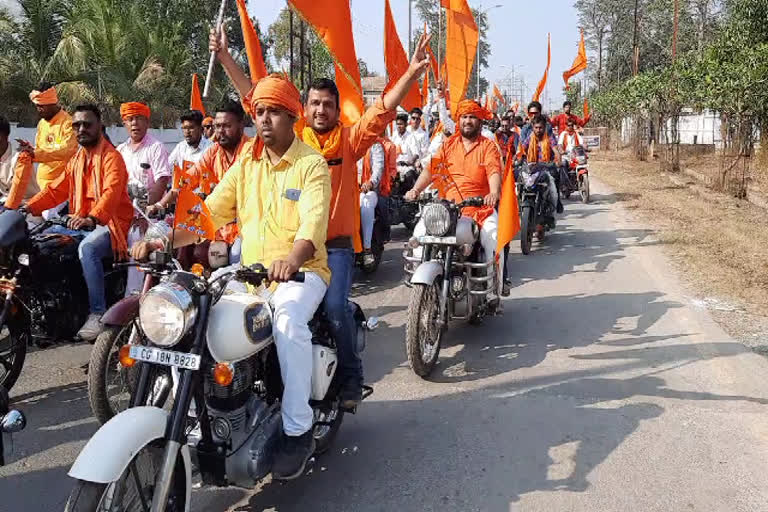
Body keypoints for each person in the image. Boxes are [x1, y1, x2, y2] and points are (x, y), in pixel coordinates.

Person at [209, 26, 431, 408]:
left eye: (328, 104)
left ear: (335, 107)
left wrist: (410, 74)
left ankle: (350, 377)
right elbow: (255, 99)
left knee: (335, 309)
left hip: (333, 249)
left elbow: (381, 112)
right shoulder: (291, 139)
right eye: (314, 103)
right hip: (282, 250)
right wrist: (226, 57)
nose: (321, 110)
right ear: (303, 109)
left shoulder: (349, 140)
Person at [132, 75, 331, 480]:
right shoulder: (247, 163)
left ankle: (297, 428)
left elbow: (313, 226)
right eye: (259, 112)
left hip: (301, 275)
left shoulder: (311, 164)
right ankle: (195, 410)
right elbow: (209, 213)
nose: (265, 119)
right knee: (194, 314)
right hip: (249, 273)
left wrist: (291, 260)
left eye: (273, 112)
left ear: (293, 116)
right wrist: (163, 240)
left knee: (287, 323)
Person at [24, 104, 133, 341]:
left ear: (99, 126)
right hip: (78, 222)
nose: (81, 129)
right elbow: (55, 191)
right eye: (76, 125)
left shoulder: (112, 158)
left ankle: (97, 312)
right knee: (40, 241)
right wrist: (27, 207)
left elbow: (111, 193)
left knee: (88, 248)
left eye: (87, 124)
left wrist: (92, 217)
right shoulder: (76, 160)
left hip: (110, 224)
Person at [405, 99, 505, 295]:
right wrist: (415, 190)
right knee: (418, 235)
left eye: (472, 117)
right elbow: (430, 170)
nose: (468, 121)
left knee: (492, 238)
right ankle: (422, 292)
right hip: (447, 210)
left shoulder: (488, 146)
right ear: (459, 120)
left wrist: (493, 193)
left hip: (479, 209)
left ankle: (495, 291)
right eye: (464, 117)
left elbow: (494, 171)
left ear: (480, 121)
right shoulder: (448, 145)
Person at [150, 101, 251, 265]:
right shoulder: (213, 152)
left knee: (235, 256)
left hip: (245, 226)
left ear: (241, 125)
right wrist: (160, 205)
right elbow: (185, 182)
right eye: (217, 126)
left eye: (227, 126)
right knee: (195, 256)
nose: (220, 132)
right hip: (215, 224)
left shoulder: (251, 151)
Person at [116, 101, 172, 295]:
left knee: (136, 237)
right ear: (124, 123)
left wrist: (145, 210)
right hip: (124, 215)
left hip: (150, 215)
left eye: (139, 119)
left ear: (147, 122)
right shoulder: (120, 151)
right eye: (130, 119)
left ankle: (134, 295)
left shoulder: (156, 147)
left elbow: (162, 181)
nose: (134, 123)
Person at [15, 83, 77, 216]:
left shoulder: (68, 123)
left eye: (41, 106)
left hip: (60, 190)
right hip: (41, 188)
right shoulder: (42, 124)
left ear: (52, 103)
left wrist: (36, 154)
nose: (38, 109)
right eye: (37, 106)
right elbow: (41, 151)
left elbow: (68, 151)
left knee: (48, 218)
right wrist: (29, 149)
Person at [517, 115, 563, 214]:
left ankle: (556, 203)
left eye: (540, 127)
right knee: (519, 181)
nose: (538, 130)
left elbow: (555, 150)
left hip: (545, 168)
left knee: (554, 181)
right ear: (533, 127)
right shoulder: (530, 137)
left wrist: (558, 161)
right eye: (536, 128)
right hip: (531, 168)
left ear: (544, 127)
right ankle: (518, 205)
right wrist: (517, 159)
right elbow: (522, 149)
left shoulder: (549, 137)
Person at [0, 116, 39, 207]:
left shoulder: (21, 158)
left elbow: (17, 191)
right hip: (5, 204)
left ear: (6, 136)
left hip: (26, 207)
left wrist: (7, 208)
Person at [358, 141, 385, 263]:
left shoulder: (375, 145)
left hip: (369, 190)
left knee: (366, 203)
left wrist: (370, 183)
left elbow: (378, 168)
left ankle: (367, 248)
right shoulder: (350, 142)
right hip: (350, 190)